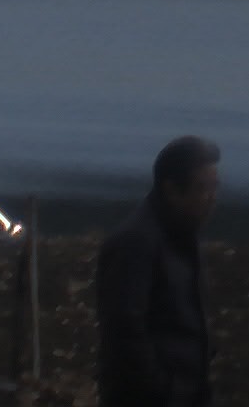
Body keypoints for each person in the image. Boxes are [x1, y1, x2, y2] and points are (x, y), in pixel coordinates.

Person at [96, 135, 219, 407]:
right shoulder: (136, 243)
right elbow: (124, 329)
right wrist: (162, 388)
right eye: (202, 189)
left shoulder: (185, 234)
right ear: (172, 190)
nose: (212, 199)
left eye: (214, 187)